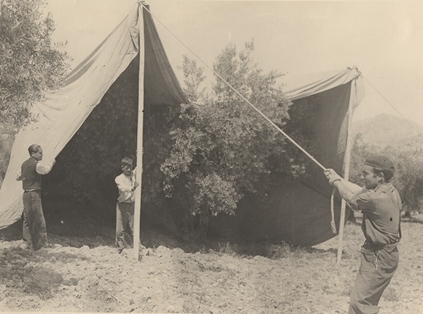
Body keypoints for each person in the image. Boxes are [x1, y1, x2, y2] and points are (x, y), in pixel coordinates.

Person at [325, 155, 401, 314]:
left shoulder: (376, 198)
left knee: (360, 303)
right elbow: (360, 191)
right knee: (365, 303)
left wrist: (337, 183)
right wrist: (338, 178)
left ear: (379, 176)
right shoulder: (389, 190)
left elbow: (352, 199)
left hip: (379, 256)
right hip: (383, 254)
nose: (362, 176)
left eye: (365, 173)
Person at [16, 144, 55, 250]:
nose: (42, 155)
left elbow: (18, 177)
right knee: (38, 218)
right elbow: (46, 170)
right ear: (33, 154)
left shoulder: (24, 164)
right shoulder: (36, 165)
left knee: (27, 219)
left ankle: (27, 242)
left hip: (26, 194)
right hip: (34, 194)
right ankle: (40, 244)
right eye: (40, 153)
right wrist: (52, 162)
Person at [115, 157, 139, 253]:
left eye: (130, 167)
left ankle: (137, 247)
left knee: (134, 227)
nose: (129, 170)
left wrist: (140, 153)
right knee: (120, 228)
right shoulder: (118, 178)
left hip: (132, 205)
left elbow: (139, 167)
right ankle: (120, 247)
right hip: (122, 205)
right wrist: (132, 188)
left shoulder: (133, 174)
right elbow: (123, 188)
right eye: (127, 168)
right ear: (122, 167)